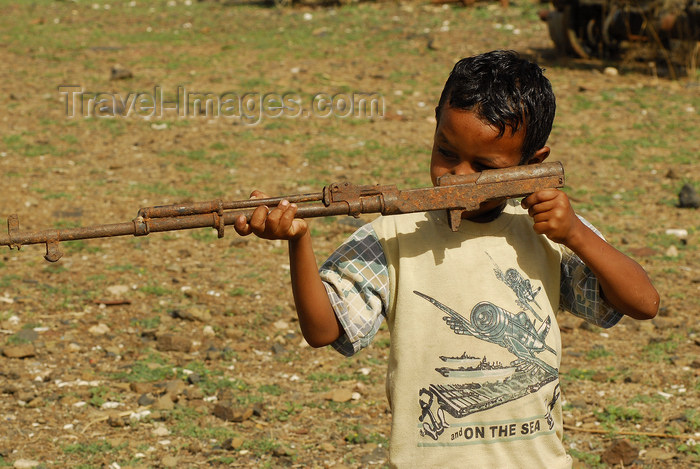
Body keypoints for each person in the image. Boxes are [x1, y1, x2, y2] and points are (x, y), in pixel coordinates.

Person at [233, 50, 659, 468]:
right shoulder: (394, 234)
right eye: (447, 153)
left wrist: (577, 234)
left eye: (484, 167)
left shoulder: (548, 230)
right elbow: (324, 329)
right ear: (436, 126)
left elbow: (643, 303)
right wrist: (298, 241)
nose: (457, 176)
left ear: (533, 165)